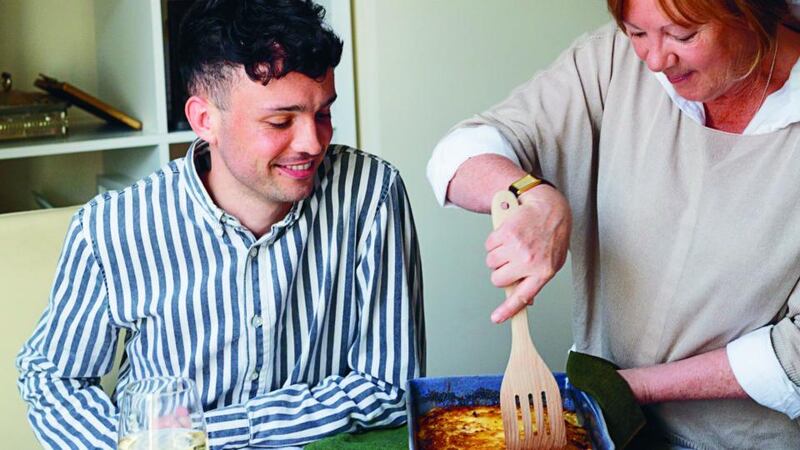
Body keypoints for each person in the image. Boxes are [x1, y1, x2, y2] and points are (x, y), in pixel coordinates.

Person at [17, 1, 425, 449]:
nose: (313, 143)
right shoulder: (111, 228)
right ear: (204, 120)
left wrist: (201, 436)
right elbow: (52, 380)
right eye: (280, 121)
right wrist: (130, 444)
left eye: (323, 113)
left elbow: (389, 387)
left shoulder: (372, 194)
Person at [428, 0, 800, 448]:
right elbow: (459, 153)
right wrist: (527, 195)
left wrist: (623, 390)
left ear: (752, 11)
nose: (657, 61)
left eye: (683, 36)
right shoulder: (612, 61)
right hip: (605, 426)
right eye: (637, 32)